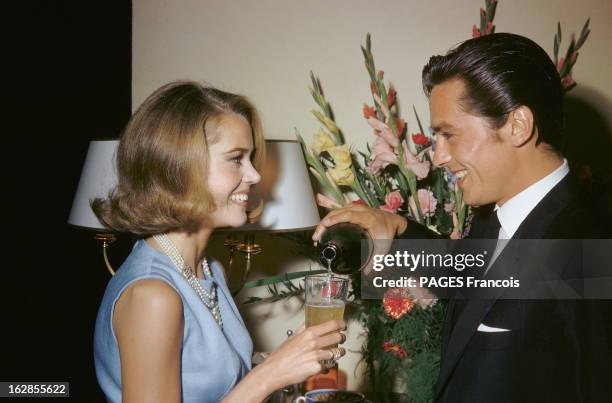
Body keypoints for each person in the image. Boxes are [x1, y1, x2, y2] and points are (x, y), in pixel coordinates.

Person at [313, 33, 611, 402]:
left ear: (517, 125)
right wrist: (398, 228)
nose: (438, 157)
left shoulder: (593, 246)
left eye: (448, 135)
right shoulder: (495, 217)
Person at [92, 81, 346, 403]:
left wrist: (279, 361)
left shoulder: (208, 269)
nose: (255, 175)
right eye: (236, 159)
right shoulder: (152, 296)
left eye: (250, 158)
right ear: (179, 169)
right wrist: (269, 376)